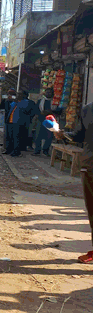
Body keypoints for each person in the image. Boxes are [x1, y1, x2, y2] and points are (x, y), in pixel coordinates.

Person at [54, 103, 93, 263]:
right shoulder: (88, 109)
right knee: (92, 210)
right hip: (90, 165)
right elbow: (80, 135)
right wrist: (64, 135)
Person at [5, 90, 36, 157]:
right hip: (11, 121)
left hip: (19, 123)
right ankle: (9, 150)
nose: (17, 95)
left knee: (16, 138)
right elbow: (8, 108)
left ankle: (16, 152)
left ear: (24, 95)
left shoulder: (27, 102)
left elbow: (27, 111)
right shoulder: (15, 102)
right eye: (17, 94)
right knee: (9, 137)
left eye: (19, 94)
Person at [34, 88, 58, 156]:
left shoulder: (55, 102)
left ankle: (45, 151)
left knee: (49, 137)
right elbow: (36, 110)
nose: (48, 94)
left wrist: (50, 112)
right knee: (38, 136)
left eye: (50, 92)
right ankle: (37, 150)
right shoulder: (40, 101)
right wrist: (41, 113)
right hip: (41, 120)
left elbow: (58, 111)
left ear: (52, 93)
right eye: (47, 92)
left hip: (51, 121)